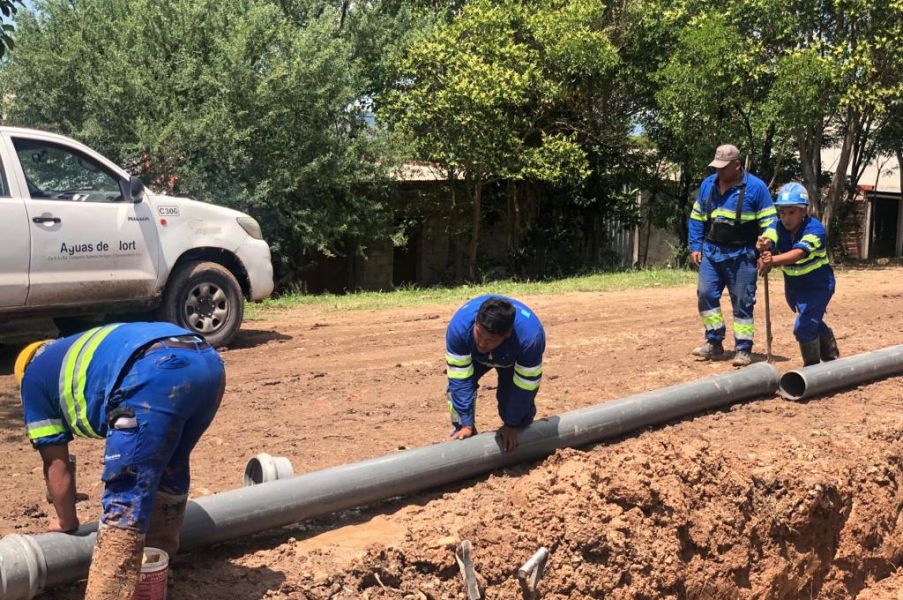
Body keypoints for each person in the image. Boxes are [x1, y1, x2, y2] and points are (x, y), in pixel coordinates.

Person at [14, 322, 225, 600]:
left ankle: (109, 593)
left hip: (154, 372)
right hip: (207, 363)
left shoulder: (33, 378)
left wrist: (67, 521)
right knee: (171, 465)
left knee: (126, 491)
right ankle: (157, 563)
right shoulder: (71, 349)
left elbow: (56, 462)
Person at [689, 144, 777, 366]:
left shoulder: (757, 188)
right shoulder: (708, 184)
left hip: (742, 255)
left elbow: (770, 223)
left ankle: (743, 348)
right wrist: (695, 246)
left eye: (723, 167)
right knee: (706, 294)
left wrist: (768, 242)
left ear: (737, 166)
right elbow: (697, 217)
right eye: (716, 167)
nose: (718, 171)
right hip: (711, 251)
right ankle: (714, 341)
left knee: (742, 302)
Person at [445, 295, 545, 451]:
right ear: (476, 322)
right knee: (455, 392)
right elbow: (459, 379)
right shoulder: (460, 328)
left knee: (512, 404)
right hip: (474, 357)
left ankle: (518, 430)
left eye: (490, 339)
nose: (482, 343)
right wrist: (465, 423)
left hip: (511, 357)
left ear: (507, 334)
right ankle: (462, 430)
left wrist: (512, 424)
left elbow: (525, 388)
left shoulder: (530, 340)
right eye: (479, 334)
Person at [756, 182, 839, 365]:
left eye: (792, 212)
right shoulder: (777, 226)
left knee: (803, 327)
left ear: (804, 211)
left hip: (818, 287)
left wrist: (773, 261)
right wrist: (763, 245)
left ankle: (812, 369)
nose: (786, 218)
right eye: (783, 212)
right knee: (810, 320)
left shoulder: (815, 230)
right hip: (795, 289)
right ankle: (831, 354)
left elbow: (798, 254)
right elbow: (768, 238)